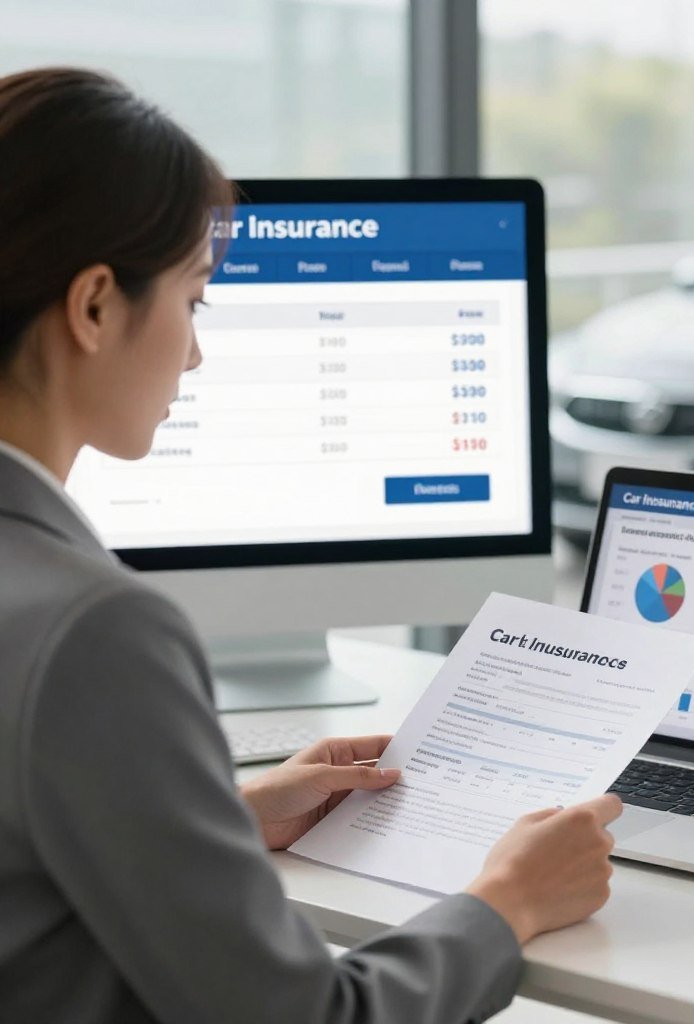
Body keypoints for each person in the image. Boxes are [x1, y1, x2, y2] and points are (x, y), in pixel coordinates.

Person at [0, 67, 622, 1024]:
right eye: (194, 300)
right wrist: (510, 901)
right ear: (93, 307)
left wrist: (228, 818)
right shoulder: (92, 630)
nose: (196, 353)